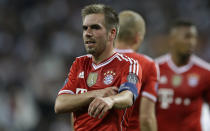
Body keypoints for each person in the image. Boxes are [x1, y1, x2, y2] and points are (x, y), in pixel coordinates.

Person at [54, 4, 142, 131]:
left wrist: (111, 100)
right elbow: (60, 104)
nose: (88, 33)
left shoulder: (128, 64)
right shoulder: (79, 64)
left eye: (95, 28)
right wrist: (97, 94)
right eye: (85, 28)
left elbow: (128, 96)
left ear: (112, 34)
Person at [155, 20, 210, 131]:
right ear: (172, 40)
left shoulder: (205, 71)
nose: (192, 42)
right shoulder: (154, 68)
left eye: (194, 37)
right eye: (187, 37)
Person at [115, 10, 159, 131]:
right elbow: (146, 119)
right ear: (138, 38)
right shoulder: (148, 65)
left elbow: (77, 112)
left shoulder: (90, 62)